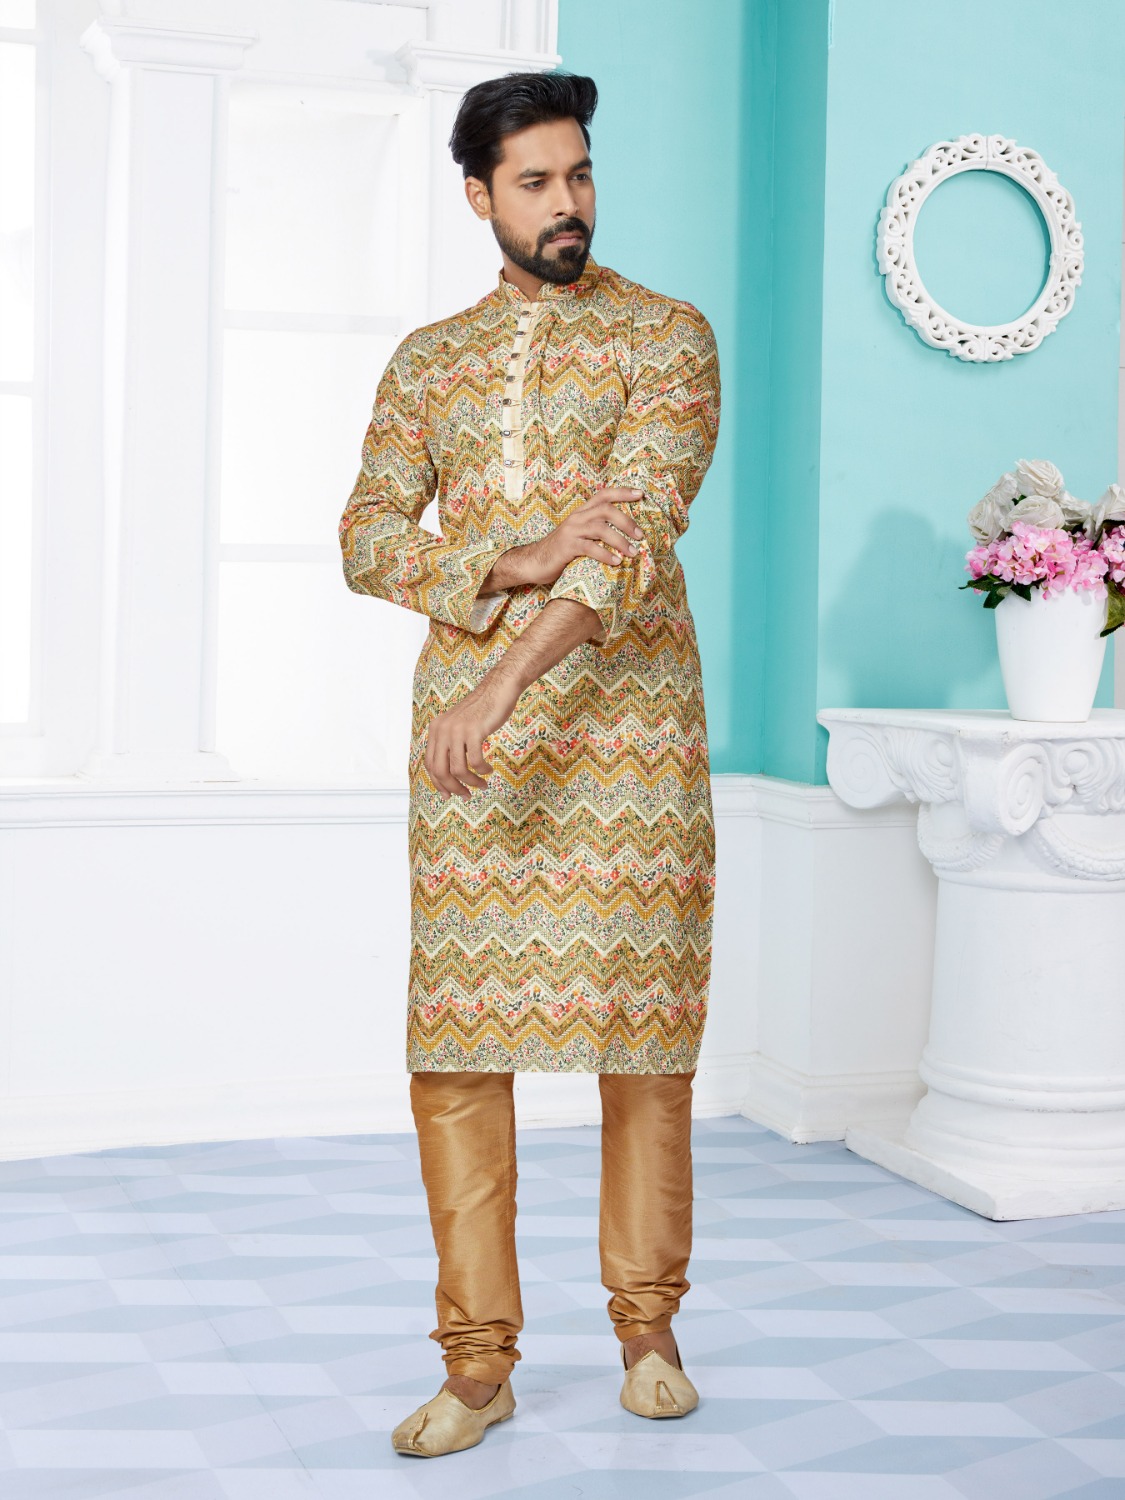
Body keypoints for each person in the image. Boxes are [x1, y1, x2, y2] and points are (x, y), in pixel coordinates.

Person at [338, 69, 721, 1459]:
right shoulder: (427, 361)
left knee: (641, 1047)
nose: (569, 204)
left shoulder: (667, 337)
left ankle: (648, 1335)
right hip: (471, 770)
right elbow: (366, 537)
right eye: (537, 182)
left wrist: (498, 678)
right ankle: (478, 1366)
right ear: (478, 196)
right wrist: (512, 557)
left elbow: (632, 535)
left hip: (626, 745)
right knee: (456, 1055)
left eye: (580, 174)